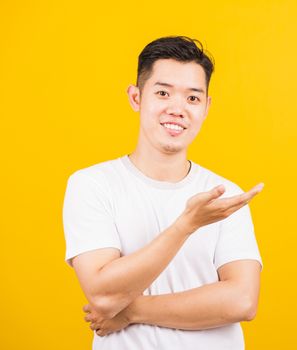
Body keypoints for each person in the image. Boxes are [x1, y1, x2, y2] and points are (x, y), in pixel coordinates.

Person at [62, 36, 264, 350]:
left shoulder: (224, 196)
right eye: (162, 93)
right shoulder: (93, 184)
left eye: (192, 98)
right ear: (136, 97)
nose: (177, 108)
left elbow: (241, 301)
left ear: (206, 107)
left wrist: (129, 312)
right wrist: (186, 225)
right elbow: (102, 292)